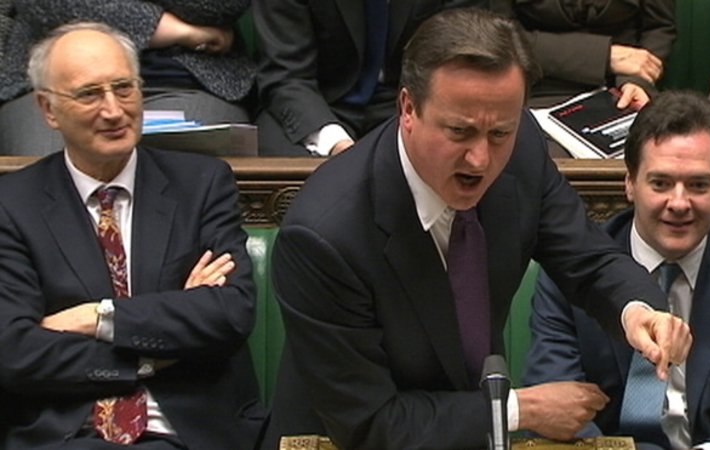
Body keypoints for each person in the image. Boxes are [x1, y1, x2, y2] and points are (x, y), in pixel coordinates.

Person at [264, 9, 691, 449]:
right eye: (459, 132)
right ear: (408, 108)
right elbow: (372, 423)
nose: (481, 159)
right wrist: (520, 410)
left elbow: (589, 258)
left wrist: (636, 309)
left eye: (499, 133)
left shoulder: (522, 146)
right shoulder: (324, 235)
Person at [0, 22, 267, 449]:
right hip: (69, 436)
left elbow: (228, 313)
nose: (113, 110)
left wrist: (98, 317)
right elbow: (15, 351)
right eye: (90, 94)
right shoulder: (12, 204)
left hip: (187, 433)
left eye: (124, 88)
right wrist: (150, 354)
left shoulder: (200, 184)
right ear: (48, 109)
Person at [524, 91, 710, 449]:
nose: (679, 203)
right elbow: (554, 402)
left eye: (698, 185)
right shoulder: (572, 269)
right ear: (630, 184)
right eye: (661, 183)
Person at [0, 0, 255, 156]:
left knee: (192, 184)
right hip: (59, 77)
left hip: (185, 78)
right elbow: (48, 5)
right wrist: (175, 30)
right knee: (46, 187)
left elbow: (219, 6)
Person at [252, 0, 489, 157]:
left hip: (411, 100)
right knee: (283, 163)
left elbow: (458, 66)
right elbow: (286, 73)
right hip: (319, 98)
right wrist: (336, 143)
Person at [494, 0, 675, 157]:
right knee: (541, 160)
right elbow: (500, 35)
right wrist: (605, 56)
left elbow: (658, 28)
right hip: (539, 87)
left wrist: (636, 80)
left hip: (622, 86)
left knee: (658, 155)